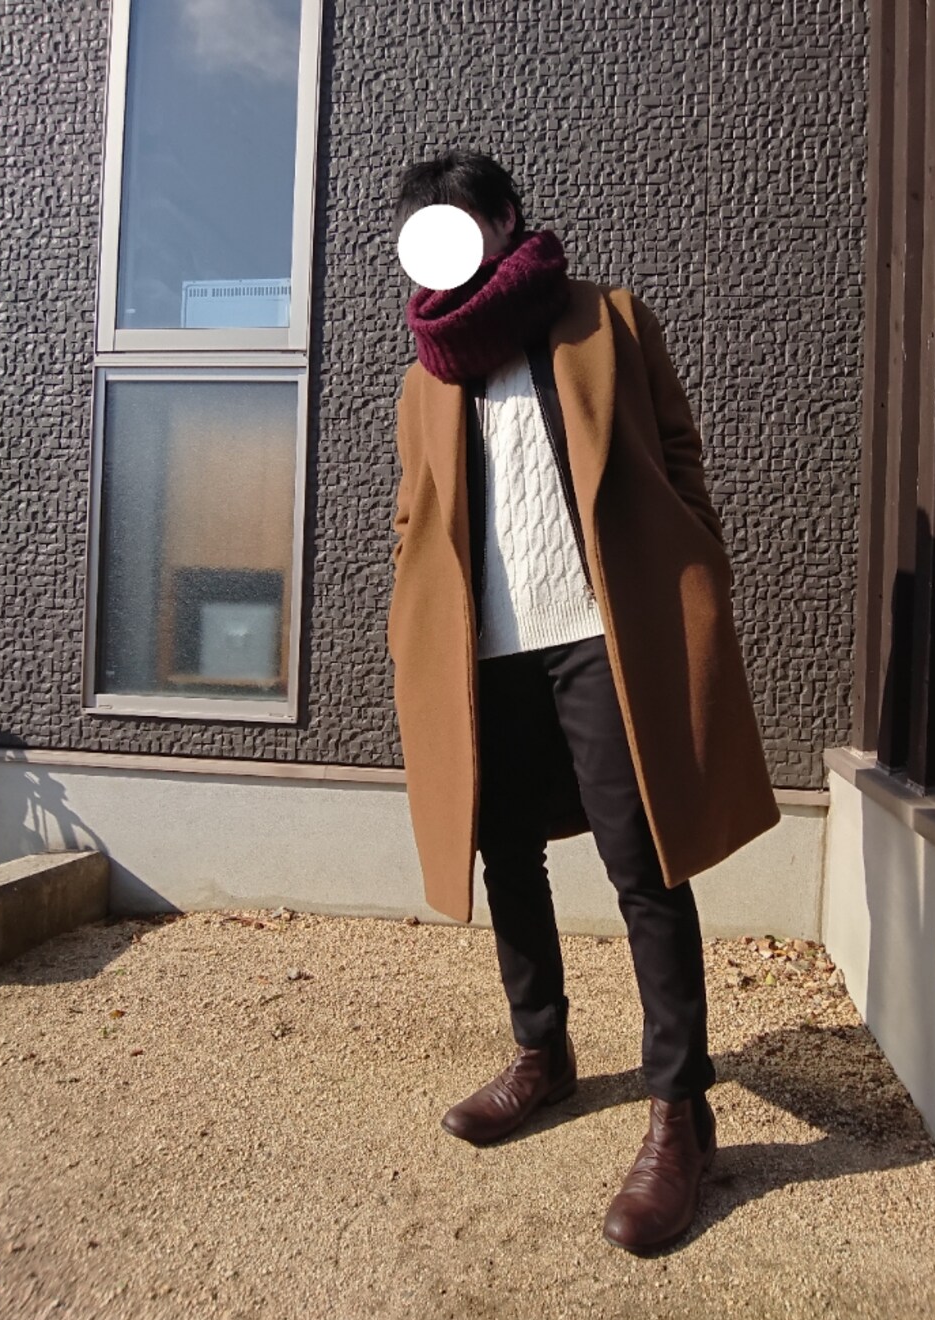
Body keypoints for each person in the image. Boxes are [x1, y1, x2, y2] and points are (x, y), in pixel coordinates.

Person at [388, 149, 779, 1255]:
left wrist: (695, 562)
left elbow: (676, 453)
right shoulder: (427, 375)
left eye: (458, 225)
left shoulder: (606, 320)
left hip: (601, 636)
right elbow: (415, 512)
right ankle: (542, 1052)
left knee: (642, 858)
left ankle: (679, 1111)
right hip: (486, 654)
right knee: (506, 850)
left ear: (507, 220)